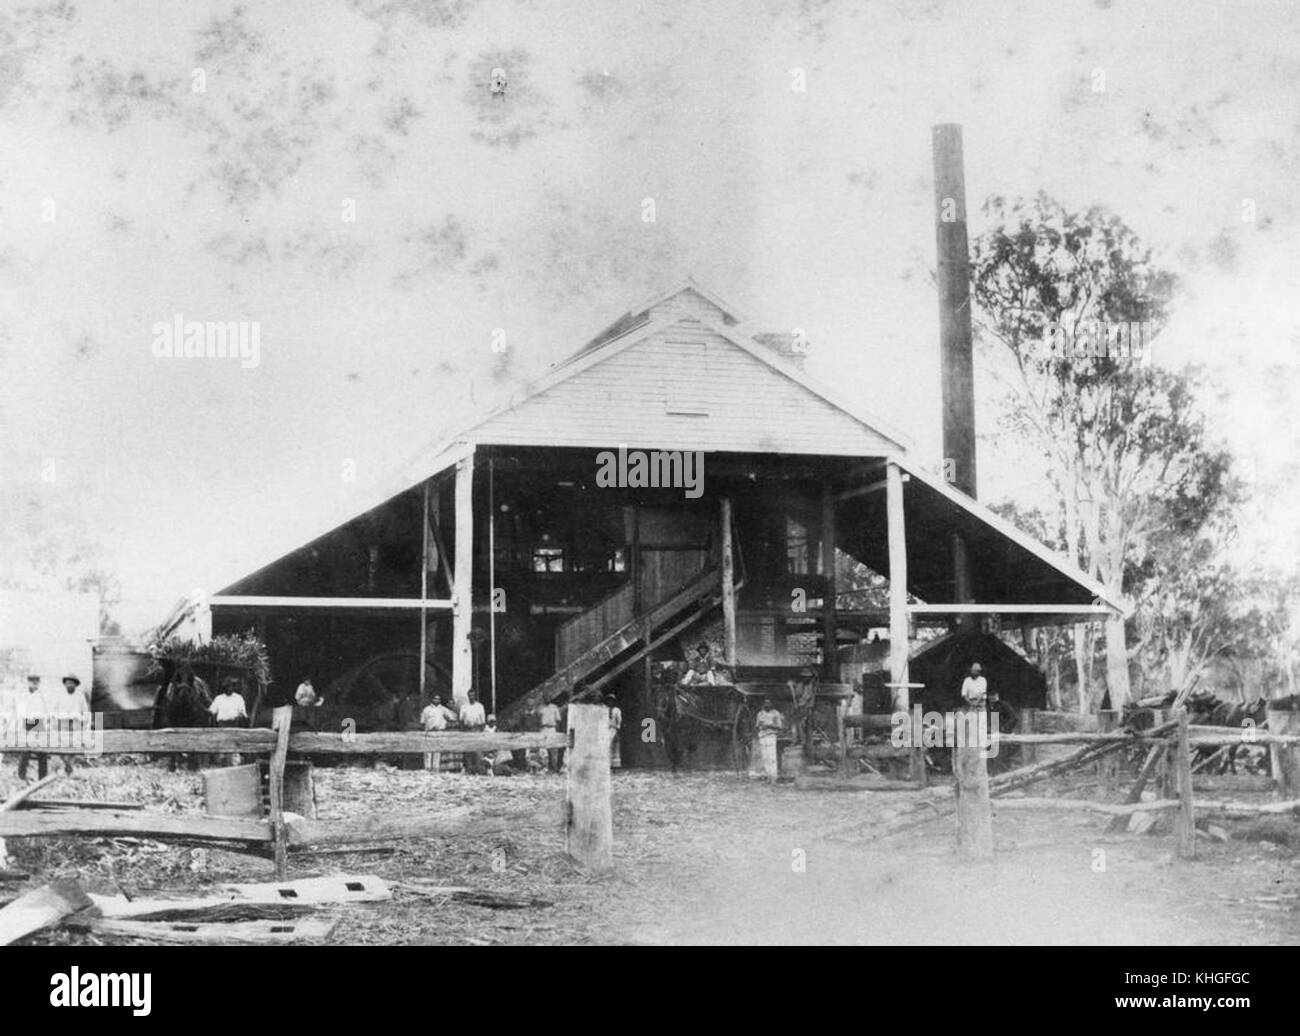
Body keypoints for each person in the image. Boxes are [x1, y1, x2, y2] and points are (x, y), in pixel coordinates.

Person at [209, 678, 249, 766]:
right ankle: (222, 763)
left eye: (230, 686)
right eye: (226, 687)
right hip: (222, 725)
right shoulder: (219, 698)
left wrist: (239, 717)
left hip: (234, 725)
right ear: (224, 688)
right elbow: (212, 711)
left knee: (234, 747)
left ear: (233, 687)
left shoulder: (238, 698)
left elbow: (243, 714)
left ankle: (235, 764)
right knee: (223, 748)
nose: (229, 688)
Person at [55, 674, 88, 776]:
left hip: (75, 724)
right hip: (63, 723)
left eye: (72, 683)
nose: (70, 685)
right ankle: (67, 765)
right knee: (62, 745)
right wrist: (60, 716)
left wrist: (83, 721)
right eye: (68, 683)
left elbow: (85, 712)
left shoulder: (80, 696)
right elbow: (54, 711)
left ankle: (69, 766)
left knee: (74, 745)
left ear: (75, 685)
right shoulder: (60, 696)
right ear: (65, 684)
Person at [17, 674, 47, 782]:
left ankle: (42, 776)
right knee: (25, 751)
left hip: (39, 723)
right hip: (27, 723)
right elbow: (20, 711)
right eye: (32, 681)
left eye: (36, 682)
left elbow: (44, 711)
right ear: (28, 682)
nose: (34, 684)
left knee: (42, 751)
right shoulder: (23, 695)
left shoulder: (41, 695)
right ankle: (21, 775)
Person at [420, 694, 457, 770]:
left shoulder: (443, 709)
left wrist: (447, 719)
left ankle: (435, 768)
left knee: (437, 752)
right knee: (428, 752)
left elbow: (453, 717)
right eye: (435, 698)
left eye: (438, 699)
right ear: (432, 699)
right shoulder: (426, 709)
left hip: (439, 731)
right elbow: (422, 722)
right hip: (429, 732)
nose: (436, 700)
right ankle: (427, 768)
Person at [788, 665, 819, 751]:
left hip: (806, 708)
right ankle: (799, 741)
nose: (806, 678)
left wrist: (812, 667)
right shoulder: (800, 685)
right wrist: (791, 685)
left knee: (803, 725)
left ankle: (803, 742)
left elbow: (816, 677)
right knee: (797, 724)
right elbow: (796, 695)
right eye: (805, 677)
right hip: (801, 708)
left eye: (808, 677)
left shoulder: (811, 685)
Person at [755, 696, 784, 783]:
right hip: (762, 736)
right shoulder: (760, 714)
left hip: (771, 736)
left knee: (772, 757)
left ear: (771, 704)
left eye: (769, 703)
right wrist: (760, 726)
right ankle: (768, 776)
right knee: (765, 757)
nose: (767, 705)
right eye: (765, 703)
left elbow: (779, 727)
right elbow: (757, 726)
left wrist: (769, 726)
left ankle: (773, 777)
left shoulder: (775, 713)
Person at [459, 691, 486, 774]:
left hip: (477, 729)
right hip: (467, 729)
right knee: (468, 751)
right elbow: (461, 720)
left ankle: (478, 769)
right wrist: (464, 731)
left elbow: (483, 721)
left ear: (475, 696)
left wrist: (480, 731)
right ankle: (469, 769)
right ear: (468, 696)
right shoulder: (464, 706)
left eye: (473, 695)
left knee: (477, 751)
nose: (471, 697)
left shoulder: (479, 706)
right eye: (470, 695)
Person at [537, 698, 562, 772]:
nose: (547, 699)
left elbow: (558, 719)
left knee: (553, 748)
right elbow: (536, 718)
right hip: (543, 728)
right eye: (546, 697)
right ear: (543, 699)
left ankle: (554, 767)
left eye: (549, 697)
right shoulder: (540, 708)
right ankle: (542, 767)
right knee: (543, 748)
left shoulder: (554, 707)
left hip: (552, 728)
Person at [605, 694, 623, 769]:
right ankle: (607, 764)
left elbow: (619, 720)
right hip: (605, 729)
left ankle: (615, 766)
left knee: (614, 747)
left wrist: (617, 730)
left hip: (613, 729)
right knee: (606, 747)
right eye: (609, 700)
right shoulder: (604, 709)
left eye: (612, 700)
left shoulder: (617, 710)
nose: (610, 702)